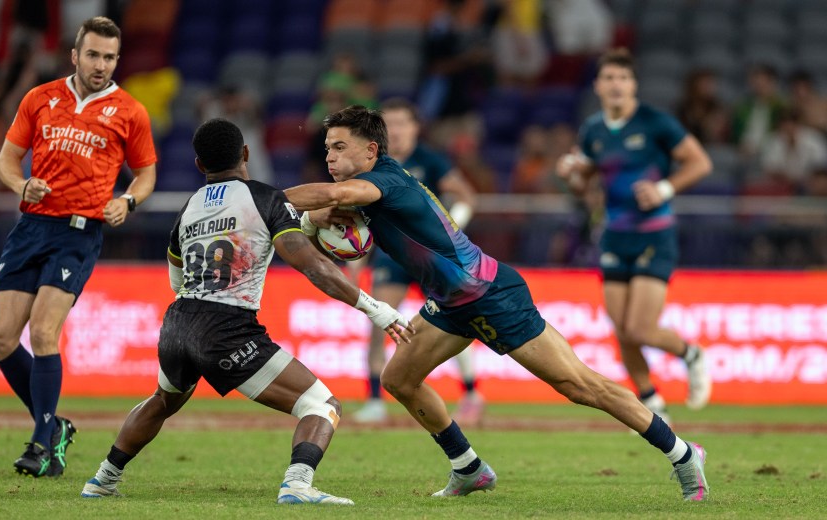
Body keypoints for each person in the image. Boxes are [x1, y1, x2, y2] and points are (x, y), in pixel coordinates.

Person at [284, 104, 710, 502]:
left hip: (491, 294)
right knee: (400, 378)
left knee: (581, 386)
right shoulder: (374, 184)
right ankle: (468, 467)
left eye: (339, 147)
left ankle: (684, 454)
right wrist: (308, 218)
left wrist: (266, 202)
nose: (330, 157)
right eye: (326, 149)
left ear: (371, 150)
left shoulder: (384, 181)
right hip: (451, 303)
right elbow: (334, 206)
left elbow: (335, 197)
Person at [81, 118, 412, 504]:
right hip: (227, 329)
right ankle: (297, 485)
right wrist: (377, 310)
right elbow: (312, 266)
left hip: (177, 323)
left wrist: (294, 222)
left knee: (163, 400)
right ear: (246, 154)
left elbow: (177, 280)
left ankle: (102, 479)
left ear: (199, 166)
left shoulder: (187, 209)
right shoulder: (265, 198)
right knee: (322, 405)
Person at [0, 16, 158, 478]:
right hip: (31, 227)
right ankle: (54, 426)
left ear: (116, 60)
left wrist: (129, 201)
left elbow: (146, 175)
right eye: (94, 55)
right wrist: (22, 185)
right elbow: (5, 160)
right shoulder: (39, 98)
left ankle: (42, 444)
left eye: (110, 57)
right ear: (75, 55)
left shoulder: (129, 111)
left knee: (43, 332)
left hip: (79, 233)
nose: (101, 65)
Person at [555, 48, 714, 424]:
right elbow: (585, 184)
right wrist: (571, 175)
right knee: (623, 331)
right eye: (608, 78)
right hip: (614, 235)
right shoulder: (593, 129)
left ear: (634, 85)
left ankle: (691, 354)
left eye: (623, 79)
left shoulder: (655, 122)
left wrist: (665, 189)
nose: (616, 85)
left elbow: (700, 162)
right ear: (597, 85)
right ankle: (652, 402)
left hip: (654, 234)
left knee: (640, 328)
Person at [350, 98, 483, 425]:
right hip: (392, 254)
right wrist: (355, 261)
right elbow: (364, 218)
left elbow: (466, 195)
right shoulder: (373, 165)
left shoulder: (430, 161)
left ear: (415, 127)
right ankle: (374, 399)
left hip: (432, 255)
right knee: (379, 319)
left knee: (454, 319)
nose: (395, 130)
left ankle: (470, 393)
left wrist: (450, 230)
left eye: (401, 123)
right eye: (389, 124)